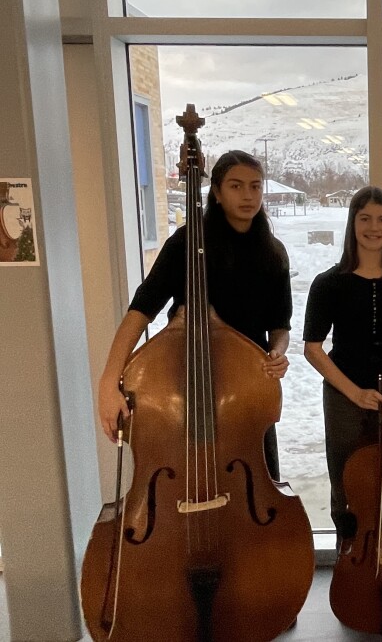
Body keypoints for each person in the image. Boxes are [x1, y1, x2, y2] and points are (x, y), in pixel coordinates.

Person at [98, 149, 291, 480]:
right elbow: (140, 312)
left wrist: (277, 351)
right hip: (185, 383)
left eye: (255, 186)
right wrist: (108, 383)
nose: (248, 195)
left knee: (256, 481)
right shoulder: (184, 244)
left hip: (247, 390)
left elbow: (279, 325)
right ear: (216, 192)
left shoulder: (272, 252)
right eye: (236, 186)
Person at [302, 186, 382, 548]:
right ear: (352, 223)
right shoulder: (328, 284)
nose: (374, 227)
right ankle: (350, 553)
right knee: (345, 482)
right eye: (365, 218)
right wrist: (353, 392)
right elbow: (313, 349)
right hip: (344, 396)